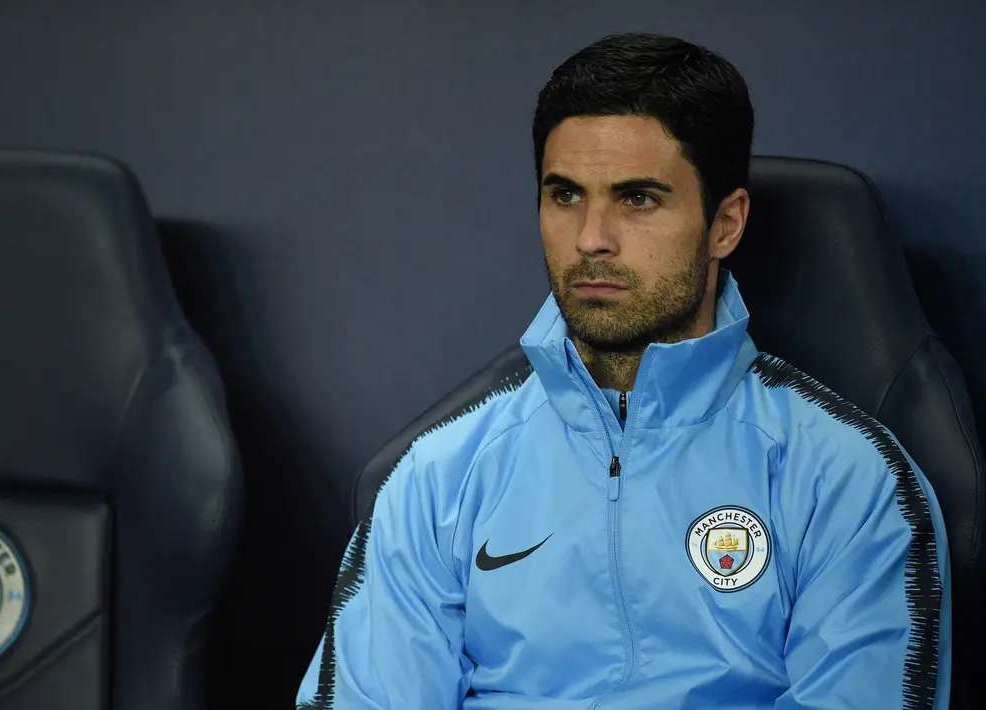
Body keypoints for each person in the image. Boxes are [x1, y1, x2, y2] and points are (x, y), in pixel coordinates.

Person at [295, 32, 951, 710]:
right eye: (564, 195)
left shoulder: (845, 476)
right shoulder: (437, 478)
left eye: (637, 198)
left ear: (724, 224)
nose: (590, 238)